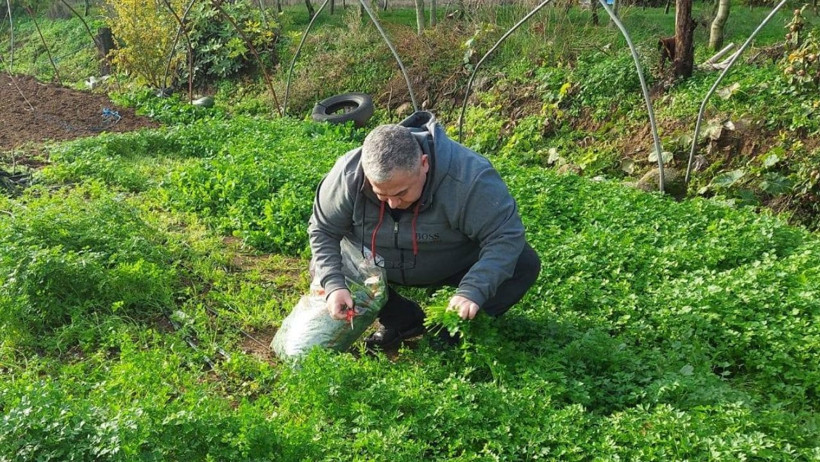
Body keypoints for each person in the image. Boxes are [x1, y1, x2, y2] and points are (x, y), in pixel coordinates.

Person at [308, 111, 540, 350]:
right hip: (376, 263)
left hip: (452, 263)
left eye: (401, 193)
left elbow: (505, 236)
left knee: (524, 264)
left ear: (424, 164)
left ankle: (451, 329)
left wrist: (474, 289)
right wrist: (334, 285)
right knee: (324, 266)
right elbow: (323, 230)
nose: (392, 204)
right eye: (381, 194)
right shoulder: (348, 175)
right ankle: (402, 319)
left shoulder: (469, 178)